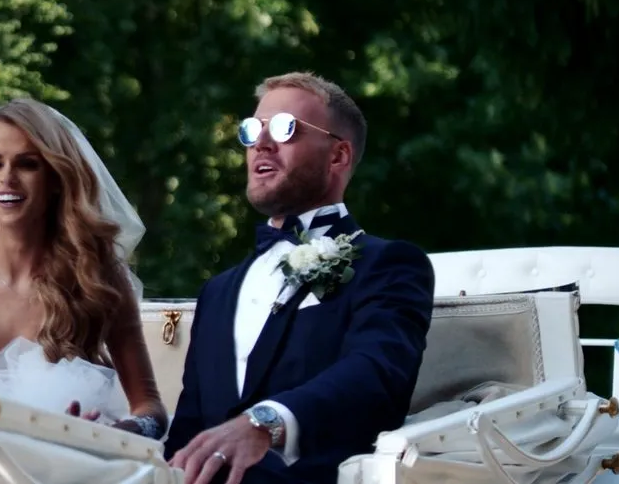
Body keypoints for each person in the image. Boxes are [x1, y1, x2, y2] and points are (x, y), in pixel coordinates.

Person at [165, 72, 435, 483]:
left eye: (284, 128)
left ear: (338, 156)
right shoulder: (217, 292)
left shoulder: (389, 264)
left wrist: (266, 422)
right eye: (252, 129)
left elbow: (376, 374)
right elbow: (187, 434)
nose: (261, 143)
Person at [0, 97, 169, 440]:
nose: (7, 178)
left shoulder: (99, 277)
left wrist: (111, 434)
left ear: (55, 178)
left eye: (27, 164)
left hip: (73, 461)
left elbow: (150, 408)